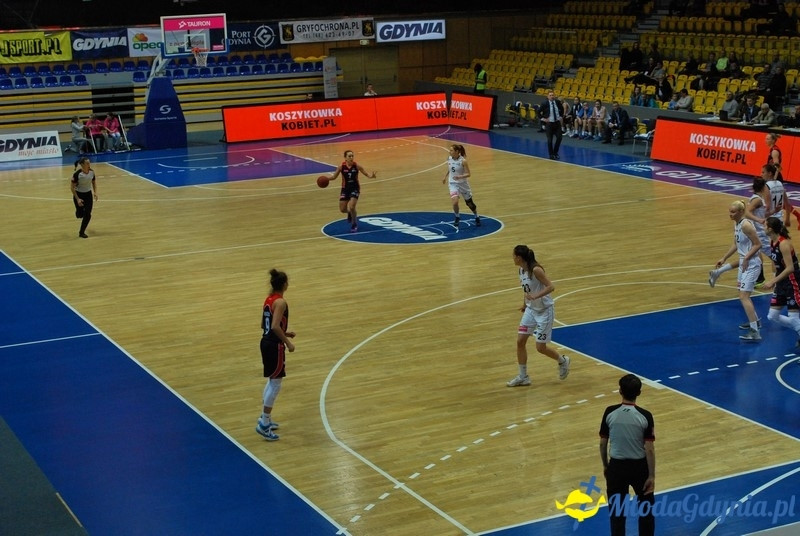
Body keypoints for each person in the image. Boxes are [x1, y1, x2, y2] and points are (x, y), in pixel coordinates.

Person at [599, 373, 656, 536]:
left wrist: (606, 466)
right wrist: (651, 475)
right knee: (646, 512)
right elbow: (649, 449)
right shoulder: (645, 416)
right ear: (639, 393)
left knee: (617, 515)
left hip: (617, 467)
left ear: (620, 391)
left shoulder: (609, 412)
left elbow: (603, 443)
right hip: (639, 468)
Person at [506, 244, 570, 387]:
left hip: (545, 311)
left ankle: (562, 361)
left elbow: (551, 286)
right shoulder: (521, 270)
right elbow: (526, 290)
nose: (513, 258)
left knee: (540, 348)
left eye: (514, 256)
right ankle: (523, 377)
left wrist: (536, 296)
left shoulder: (536, 270)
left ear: (519, 257)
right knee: (520, 341)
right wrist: (525, 304)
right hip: (531, 310)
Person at [708, 200, 764, 342]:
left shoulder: (746, 225)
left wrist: (747, 257)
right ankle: (755, 321)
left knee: (744, 296)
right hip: (745, 263)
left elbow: (758, 244)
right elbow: (736, 244)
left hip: (751, 264)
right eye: (729, 211)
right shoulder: (737, 224)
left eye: (733, 212)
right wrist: (724, 258)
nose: (730, 214)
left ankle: (755, 332)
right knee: (741, 292)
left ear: (740, 212)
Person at [255, 268, 295, 442]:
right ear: (285, 284)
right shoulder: (280, 302)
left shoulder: (269, 299)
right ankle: (264, 423)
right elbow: (274, 326)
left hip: (265, 342)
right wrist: (287, 342)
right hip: (274, 345)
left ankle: (265, 418)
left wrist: (285, 333)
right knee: (276, 384)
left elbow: (264, 325)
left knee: (272, 381)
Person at [761, 217, 800, 346]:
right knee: (772, 316)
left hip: (792, 281)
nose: (763, 227)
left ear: (770, 229)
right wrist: (776, 278)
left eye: (765, 225)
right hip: (782, 282)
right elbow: (776, 263)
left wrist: (773, 281)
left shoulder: (784, 244)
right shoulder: (773, 241)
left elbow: (790, 268)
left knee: (793, 318)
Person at [329, 149, 377, 233]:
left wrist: (371, 176)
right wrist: (326, 179)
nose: (351, 157)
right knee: (342, 209)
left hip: (355, 188)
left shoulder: (357, 166)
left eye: (352, 156)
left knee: (352, 206)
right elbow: (334, 177)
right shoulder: (341, 167)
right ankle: (349, 213)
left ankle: (354, 224)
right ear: (345, 158)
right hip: (345, 189)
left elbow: (366, 174)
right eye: (349, 156)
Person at [442, 144, 480, 227]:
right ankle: (457, 217)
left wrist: (460, 176)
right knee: (455, 202)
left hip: (463, 184)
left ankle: (476, 216)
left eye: (451, 150)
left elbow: (468, 174)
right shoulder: (449, 158)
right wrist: (445, 176)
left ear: (457, 151)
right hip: (453, 183)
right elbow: (450, 169)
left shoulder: (463, 161)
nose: (449, 152)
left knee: (470, 204)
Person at [70, 156, 98, 239]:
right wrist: (78, 199)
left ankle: (81, 232)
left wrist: (95, 192)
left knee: (88, 214)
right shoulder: (77, 174)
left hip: (88, 195)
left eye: (89, 163)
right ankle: (78, 212)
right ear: (82, 165)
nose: (89, 165)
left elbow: (94, 182)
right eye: (87, 163)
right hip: (79, 195)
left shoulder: (92, 172)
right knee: (80, 215)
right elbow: (72, 187)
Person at [541, 90, 564, 159]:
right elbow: (538, 112)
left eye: (553, 95)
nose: (552, 96)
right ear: (548, 96)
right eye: (550, 95)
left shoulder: (557, 102)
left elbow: (562, 109)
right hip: (549, 124)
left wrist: (561, 116)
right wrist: (543, 119)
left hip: (557, 123)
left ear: (555, 96)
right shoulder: (544, 103)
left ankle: (555, 152)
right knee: (550, 140)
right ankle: (551, 154)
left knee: (559, 138)